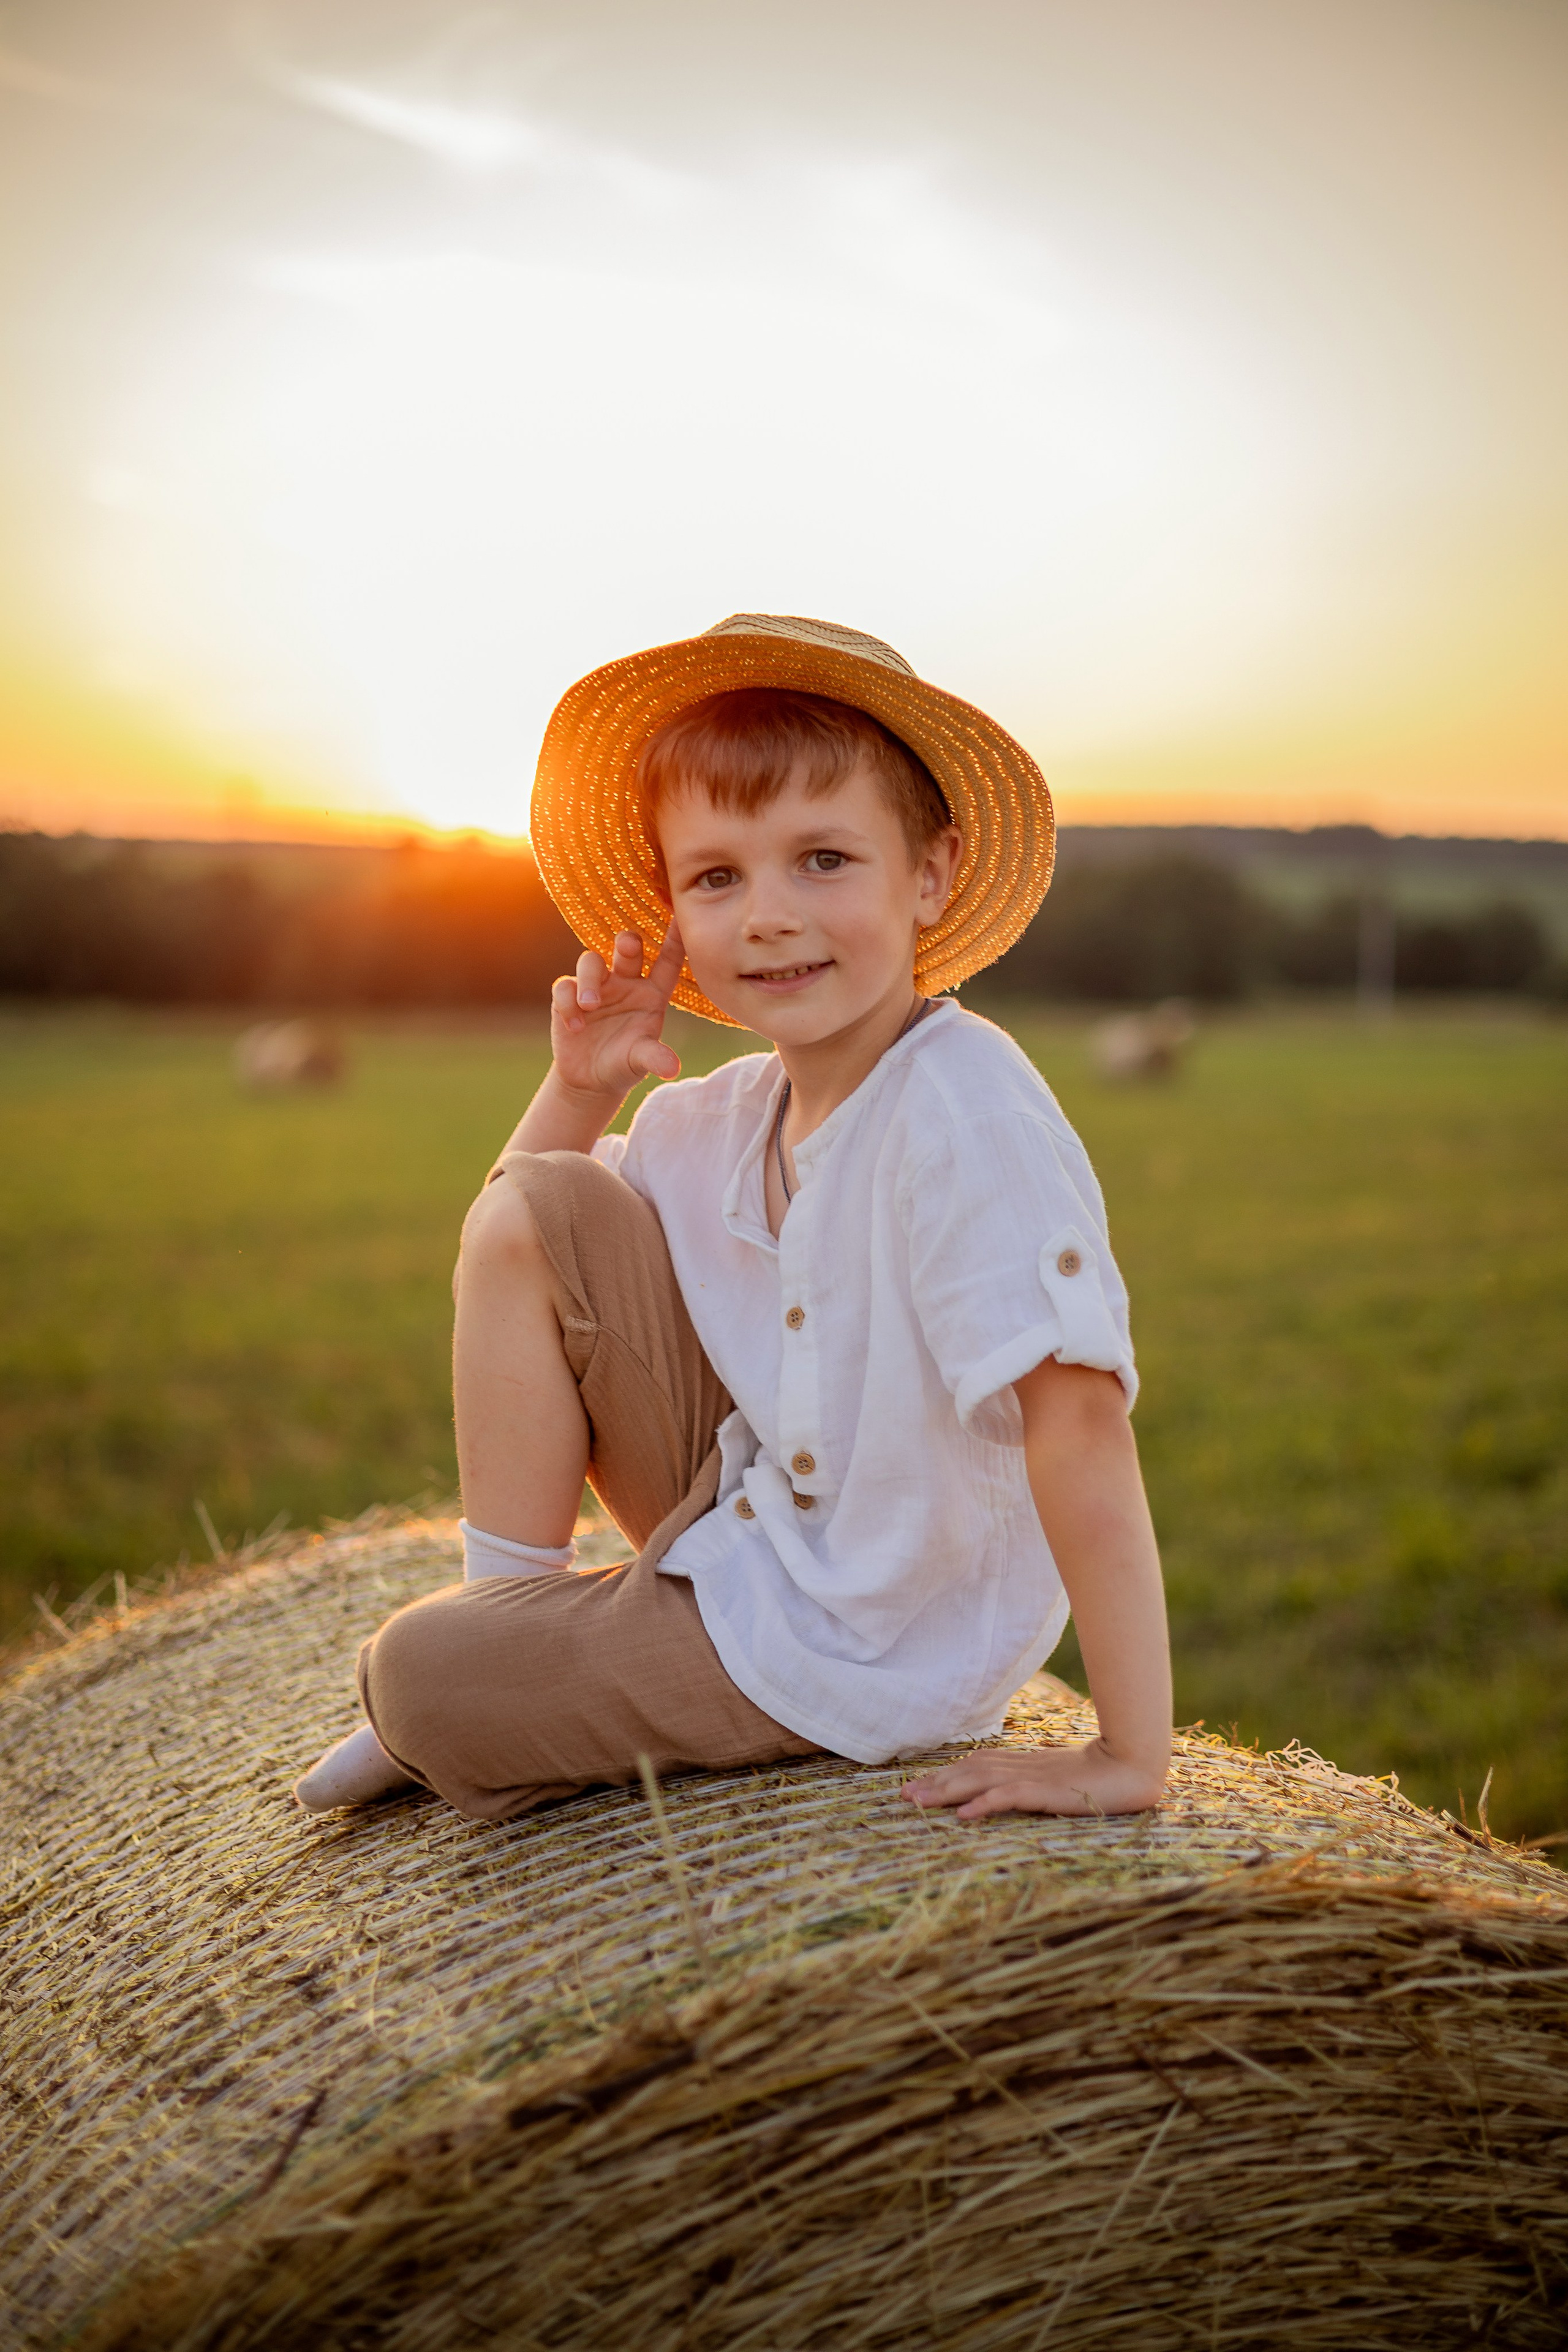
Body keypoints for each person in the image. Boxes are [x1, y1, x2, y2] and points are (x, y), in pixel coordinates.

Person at [295, 614, 1170, 1824]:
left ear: (929, 874)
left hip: (869, 1636)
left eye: (822, 859)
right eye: (717, 876)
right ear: (676, 911)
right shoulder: (721, 1115)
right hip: (759, 1528)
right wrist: (584, 1084)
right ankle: (507, 1635)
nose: (766, 913)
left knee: (411, 1672)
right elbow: (508, 1245)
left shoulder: (960, 1107)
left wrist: (1129, 1751)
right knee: (545, 1199)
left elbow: (1076, 1422)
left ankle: (471, 1710)